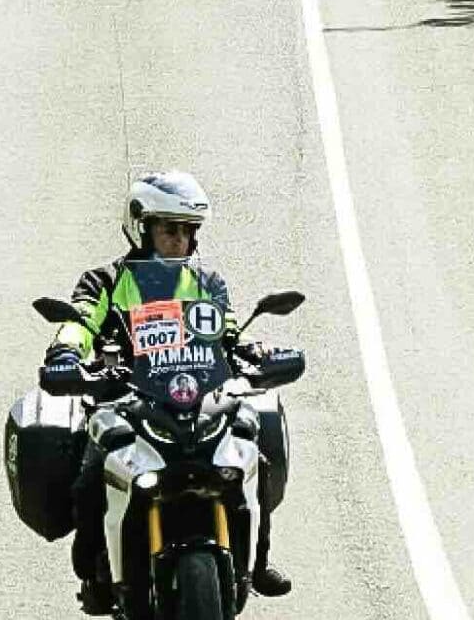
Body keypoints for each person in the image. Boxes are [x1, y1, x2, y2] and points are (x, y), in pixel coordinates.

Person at [37, 171, 293, 614]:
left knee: (254, 437)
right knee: (92, 469)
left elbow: (227, 334)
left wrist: (254, 350)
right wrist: (66, 353)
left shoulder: (208, 282)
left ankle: (260, 560)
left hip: (199, 397)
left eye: (187, 231)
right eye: (168, 229)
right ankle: (96, 573)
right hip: (126, 398)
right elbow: (79, 322)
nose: (179, 240)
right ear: (141, 227)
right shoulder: (105, 281)